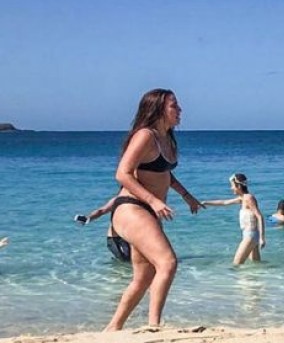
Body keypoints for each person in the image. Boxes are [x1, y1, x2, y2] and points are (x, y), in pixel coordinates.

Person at [105, 88, 202, 330]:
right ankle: (153, 326)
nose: (180, 110)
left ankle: (112, 328)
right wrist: (155, 201)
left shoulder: (166, 138)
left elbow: (164, 172)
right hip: (131, 207)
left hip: (147, 211)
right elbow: (123, 173)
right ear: (158, 109)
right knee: (167, 263)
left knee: (144, 277)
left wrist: (186, 196)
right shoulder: (145, 136)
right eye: (174, 106)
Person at [202, 173, 266, 265]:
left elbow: (259, 216)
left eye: (232, 186)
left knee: (236, 264)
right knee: (256, 266)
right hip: (250, 235)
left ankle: (239, 279)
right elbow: (224, 202)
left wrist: (262, 238)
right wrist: (205, 202)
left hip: (250, 236)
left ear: (238, 186)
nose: (231, 188)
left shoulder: (249, 198)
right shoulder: (242, 198)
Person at [76, 194, 134, 262]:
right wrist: (88, 218)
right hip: (116, 239)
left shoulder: (142, 200)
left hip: (130, 237)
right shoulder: (119, 200)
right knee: (125, 261)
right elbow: (101, 211)